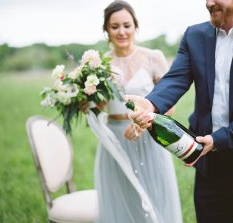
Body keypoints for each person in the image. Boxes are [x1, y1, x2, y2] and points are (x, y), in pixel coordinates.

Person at [127, 0, 233, 222]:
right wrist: (150, 104)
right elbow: (176, 78)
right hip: (209, 167)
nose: (209, 3)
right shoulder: (194, 36)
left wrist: (218, 139)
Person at [93, 1, 183, 223]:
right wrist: (85, 103)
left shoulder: (153, 57)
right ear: (106, 30)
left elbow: (169, 105)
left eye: (126, 25)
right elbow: (99, 108)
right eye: (114, 27)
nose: (121, 31)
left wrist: (146, 120)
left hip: (151, 136)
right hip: (115, 141)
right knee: (122, 201)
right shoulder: (98, 66)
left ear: (135, 26)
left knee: (156, 198)